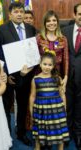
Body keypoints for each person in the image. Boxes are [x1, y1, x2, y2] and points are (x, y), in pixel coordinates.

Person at [0, 2, 36, 146]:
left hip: (26, 76)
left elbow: (33, 53)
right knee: (6, 107)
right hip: (9, 77)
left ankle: (21, 133)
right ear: (10, 14)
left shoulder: (31, 29)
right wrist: (5, 73)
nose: (19, 14)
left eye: (21, 11)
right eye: (16, 12)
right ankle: (6, 135)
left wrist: (28, 70)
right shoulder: (1, 29)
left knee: (23, 106)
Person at [29, 52, 69, 150]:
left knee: (59, 132)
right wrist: (31, 111)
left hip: (57, 111)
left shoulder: (57, 78)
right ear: (40, 64)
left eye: (50, 65)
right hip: (41, 111)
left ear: (53, 66)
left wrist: (64, 108)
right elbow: (32, 96)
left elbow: (62, 95)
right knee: (40, 132)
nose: (47, 67)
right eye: (45, 64)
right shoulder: (35, 79)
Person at [62, 3, 81, 150]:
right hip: (67, 78)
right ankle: (67, 134)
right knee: (67, 107)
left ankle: (78, 134)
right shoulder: (64, 31)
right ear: (75, 15)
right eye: (80, 14)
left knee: (80, 108)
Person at [36, 10, 69, 92]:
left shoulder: (63, 39)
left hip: (57, 75)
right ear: (44, 23)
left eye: (54, 20)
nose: (51, 23)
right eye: (48, 21)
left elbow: (66, 59)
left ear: (57, 22)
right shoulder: (39, 38)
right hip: (41, 75)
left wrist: (65, 76)